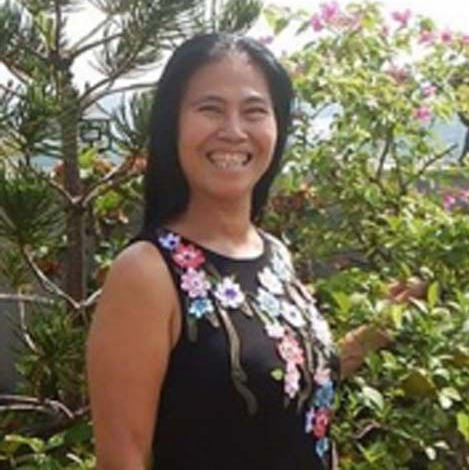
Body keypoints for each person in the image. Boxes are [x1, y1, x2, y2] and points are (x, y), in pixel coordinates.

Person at [85, 33, 413, 470]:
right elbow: (122, 458)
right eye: (210, 108)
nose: (234, 131)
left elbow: (284, 380)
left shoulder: (274, 255)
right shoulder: (146, 273)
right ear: (172, 125)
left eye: (255, 111)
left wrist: (375, 332)